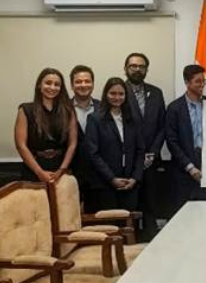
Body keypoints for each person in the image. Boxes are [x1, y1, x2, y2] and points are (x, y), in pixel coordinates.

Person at [166, 64, 206, 206]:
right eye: (198, 81)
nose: (202, 85)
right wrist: (190, 167)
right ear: (187, 82)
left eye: (204, 81)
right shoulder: (174, 108)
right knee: (186, 213)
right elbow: (172, 141)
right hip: (184, 170)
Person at [83, 77, 143, 212]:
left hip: (129, 184)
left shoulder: (133, 119)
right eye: (113, 93)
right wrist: (111, 178)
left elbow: (140, 150)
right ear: (106, 94)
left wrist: (135, 178)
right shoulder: (95, 119)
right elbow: (93, 153)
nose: (117, 97)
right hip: (105, 184)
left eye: (121, 94)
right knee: (110, 223)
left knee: (129, 222)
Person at [124, 52, 166, 240]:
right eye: (133, 66)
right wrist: (137, 156)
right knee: (130, 204)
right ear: (126, 69)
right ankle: (129, 242)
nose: (137, 69)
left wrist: (153, 153)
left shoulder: (156, 92)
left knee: (151, 203)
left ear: (146, 70)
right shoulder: (118, 91)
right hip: (129, 160)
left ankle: (152, 241)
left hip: (151, 159)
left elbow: (162, 126)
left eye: (141, 66)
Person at [14, 68, 77, 182]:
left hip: (61, 168)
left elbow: (72, 144)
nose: (52, 87)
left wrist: (62, 170)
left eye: (57, 84)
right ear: (39, 85)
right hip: (33, 168)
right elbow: (21, 146)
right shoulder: (25, 110)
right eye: (48, 83)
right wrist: (39, 172)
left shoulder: (68, 110)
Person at [69, 65, 100, 208]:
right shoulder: (63, 108)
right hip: (71, 173)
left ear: (93, 84)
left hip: (99, 175)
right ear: (72, 85)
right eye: (78, 81)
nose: (83, 85)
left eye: (87, 81)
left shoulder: (103, 108)